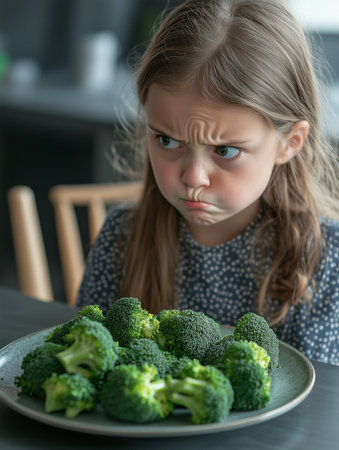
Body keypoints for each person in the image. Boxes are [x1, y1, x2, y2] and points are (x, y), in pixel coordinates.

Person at [77, 0, 339, 365]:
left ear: (289, 143)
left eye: (225, 150)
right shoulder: (121, 238)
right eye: (167, 140)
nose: (193, 178)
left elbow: (317, 403)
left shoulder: (323, 258)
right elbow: (87, 361)